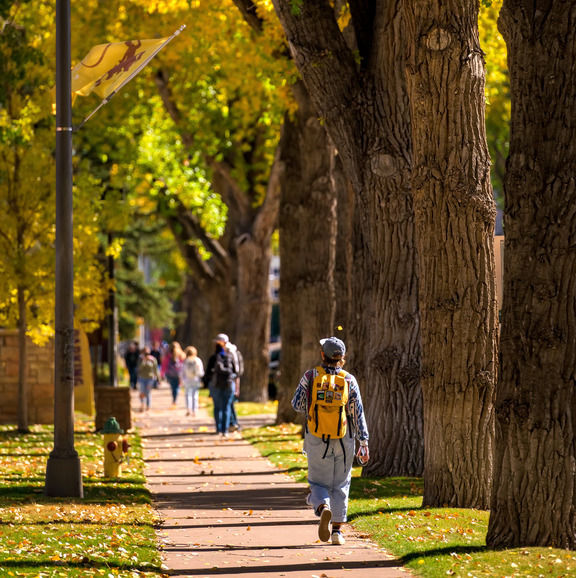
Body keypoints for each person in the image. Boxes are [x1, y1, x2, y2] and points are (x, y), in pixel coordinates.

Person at [292, 336, 369, 546]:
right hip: (344, 438)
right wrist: (364, 442)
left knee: (318, 481)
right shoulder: (349, 380)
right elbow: (357, 413)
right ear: (342, 358)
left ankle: (322, 507)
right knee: (341, 483)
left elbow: (297, 404)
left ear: (322, 355)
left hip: (316, 436)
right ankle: (336, 532)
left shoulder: (310, 376)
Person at [203, 333, 239, 436]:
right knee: (226, 407)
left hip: (215, 385)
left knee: (217, 407)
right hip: (228, 384)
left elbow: (208, 373)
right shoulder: (230, 356)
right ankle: (225, 430)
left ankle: (218, 429)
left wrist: (206, 382)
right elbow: (235, 371)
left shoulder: (213, 358)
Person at [161, 341, 185, 407]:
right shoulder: (181, 355)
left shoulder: (168, 355)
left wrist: (162, 374)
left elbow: (164, 365)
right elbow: (183, 365)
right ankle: (176, 398)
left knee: (173, 387)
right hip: (179, 374)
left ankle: (174, 399)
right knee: (177, 387)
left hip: (170, 374)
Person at [182, 346, 205, 416]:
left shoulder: (186, 361)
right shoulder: (198, 360)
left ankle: (188, 408)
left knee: (187, 394)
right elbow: (201, 371)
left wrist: (182, 379)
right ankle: (195, 410)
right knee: (195, 395)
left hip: (187, 379)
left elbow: (182, 371)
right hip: (196, 379)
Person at [137, 347, 160, 411]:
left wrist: (159, 378)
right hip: (142, 378)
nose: (146, 354)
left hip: (150, 378)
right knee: (142, 391)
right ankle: (142, 404)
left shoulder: (153, 359)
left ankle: (148, 406)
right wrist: (144, 361)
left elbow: (156, 369)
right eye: (145, 352)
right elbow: (139, 368)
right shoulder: (140, 359)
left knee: (148, 392)